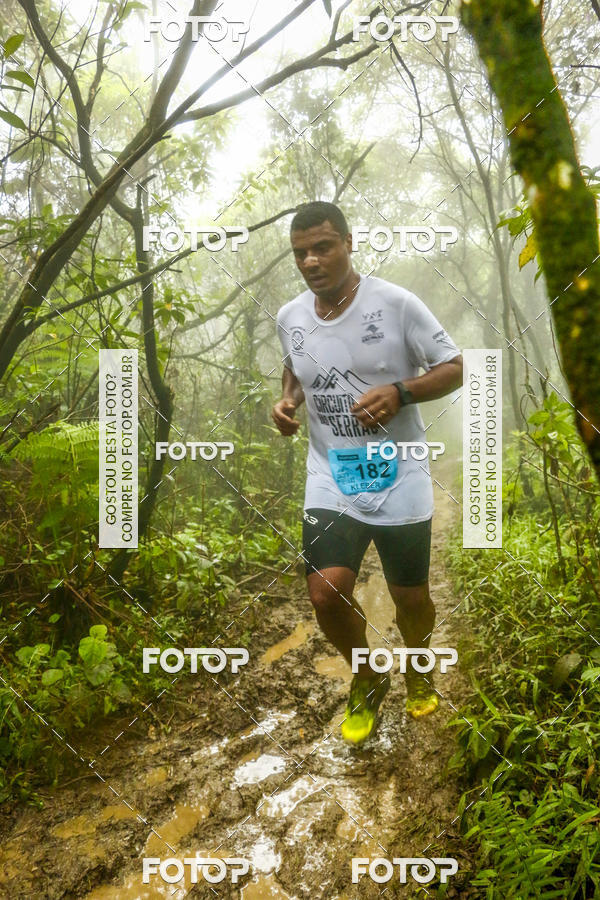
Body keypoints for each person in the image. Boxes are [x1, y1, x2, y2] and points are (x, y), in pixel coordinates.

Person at [272, 201, 463, 745]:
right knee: (325, 595)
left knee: (411, 600)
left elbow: (455, 366)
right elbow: (295, 366)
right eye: (301, 252)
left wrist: (401, 392)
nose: (311, 260)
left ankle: (418, 661)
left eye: (323, 246)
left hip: (399, 471)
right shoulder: (290, 317)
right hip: (331, 475)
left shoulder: (396, 304)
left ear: (349, 243)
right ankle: (368, 673)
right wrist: (286, 402)